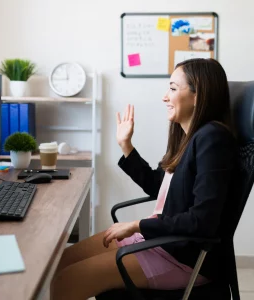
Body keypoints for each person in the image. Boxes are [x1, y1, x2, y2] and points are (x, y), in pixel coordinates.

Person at [50, 58, 237, 300]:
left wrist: (138, 225)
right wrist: (126, 145)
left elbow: (202, 221)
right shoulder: (189, 138)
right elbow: (159, 187)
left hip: (182, 257)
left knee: (67, 280)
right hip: (162, 241)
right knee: (60, 262)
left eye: (172, 88)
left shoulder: (212, 139)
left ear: (197, 95)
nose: (165, 97)